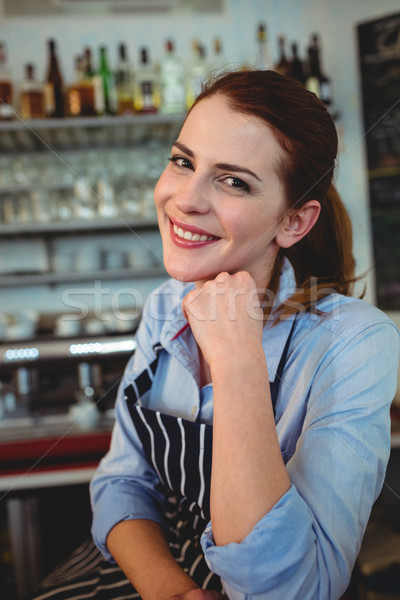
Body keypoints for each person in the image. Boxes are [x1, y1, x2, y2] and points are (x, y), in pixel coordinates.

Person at [33, 69, 399, 600]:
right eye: (183, 161)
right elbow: (122, 484)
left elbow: (296, 589)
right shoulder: (166, 305)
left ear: (293, 222)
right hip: (146, 570)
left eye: (234, 181)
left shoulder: (354, 341)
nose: (184, 199)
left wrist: (238, 361)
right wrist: (171, 590)